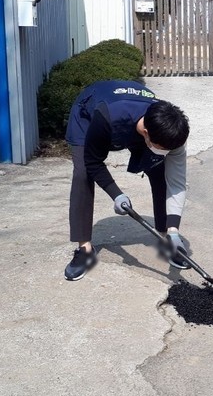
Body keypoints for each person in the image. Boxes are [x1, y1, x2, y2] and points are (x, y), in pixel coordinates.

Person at [64, 80, 191, 281]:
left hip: (136, 117)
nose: (167, 152)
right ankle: (84, 248)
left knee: (159, 169)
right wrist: (117, 194)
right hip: (89, 116)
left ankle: (166, 237)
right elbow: (93, 161)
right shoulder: (108, 116)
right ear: (147, 135)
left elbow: (176, 182)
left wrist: (174, 230)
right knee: (82, 174)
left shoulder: (171, 129)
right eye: (162, 147)